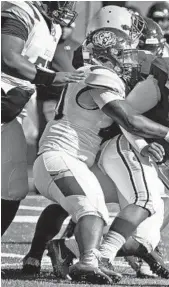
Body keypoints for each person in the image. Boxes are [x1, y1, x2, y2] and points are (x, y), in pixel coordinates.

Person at [31, 6, 169, 284]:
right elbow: (127, 118)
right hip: (61, 156)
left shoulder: (96, 72)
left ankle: (68, 252)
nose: (128, 61)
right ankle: (89, 262)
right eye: (123, 55)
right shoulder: (97, 73)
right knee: (93, 209)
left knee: (144, 198)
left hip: (81, 160)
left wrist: (141, 147)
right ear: (106, 54)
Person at [1, 1, 83, 237]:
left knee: (13, 187)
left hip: (9, 112)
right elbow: (7, 56)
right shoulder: (19, 10)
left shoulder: (52, 25)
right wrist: (49, 78)